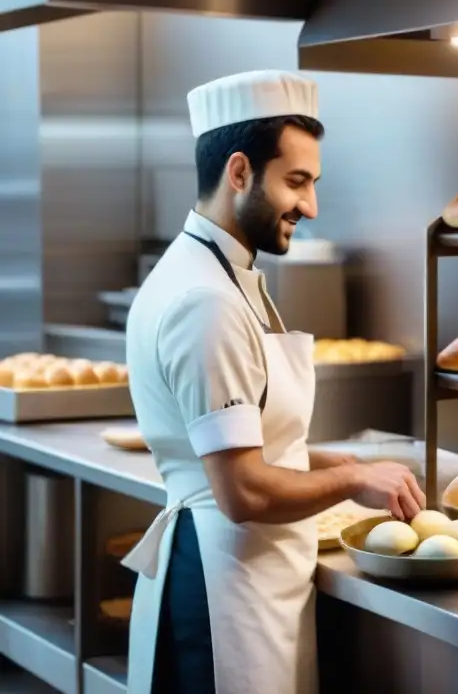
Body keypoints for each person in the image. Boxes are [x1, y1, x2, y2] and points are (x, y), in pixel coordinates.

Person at [121, 70, 426, 694]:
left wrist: (325, 461)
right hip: (223, 591)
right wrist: (352, 479)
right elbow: (242, 490)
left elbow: (245, 440)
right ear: (239, 173)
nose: (310, 206)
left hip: (251, 577)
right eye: (297, 182)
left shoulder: (220, 274)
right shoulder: (203, 300)